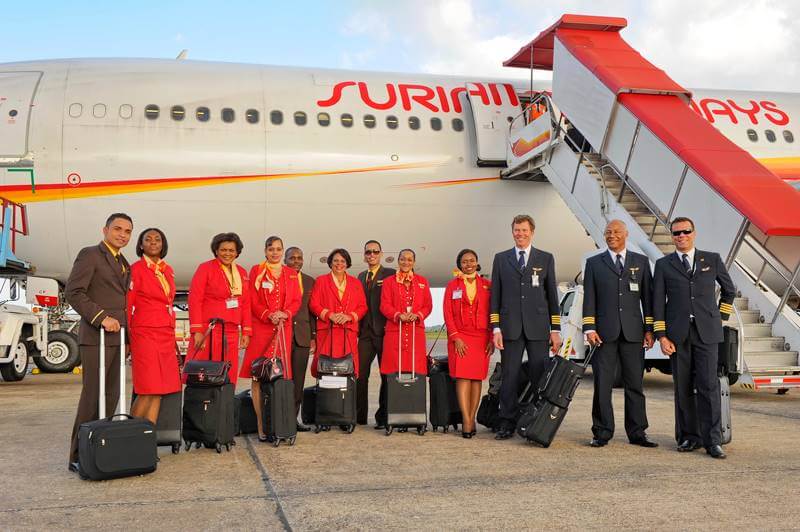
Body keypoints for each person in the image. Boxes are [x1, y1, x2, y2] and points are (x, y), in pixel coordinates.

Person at [653, 216, 736, 459]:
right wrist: (661, 336)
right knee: (683, 387)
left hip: (707, 333)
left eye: (685, 231)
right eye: (676, 233)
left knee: (708, 386)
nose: (681, 236)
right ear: (672, 236)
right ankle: (689, 437)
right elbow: (658, 301)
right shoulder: (664, 264)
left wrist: (719, 316)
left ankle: (713, 441)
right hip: (678, 335)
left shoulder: (711, 259)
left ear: (694, 233)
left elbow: (729, 291)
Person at [65, 213, 133, 472]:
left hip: (118, 337)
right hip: (97, 337)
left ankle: (100, 447)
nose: (122, 234)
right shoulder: (90, 254)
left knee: (112, 395)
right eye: (117, 229)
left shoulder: (124, 261)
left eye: (127, 231)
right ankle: (77, 453)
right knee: (93, 396)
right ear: (105, 229)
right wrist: (100, 317)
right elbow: (74, 291)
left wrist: (127, 338)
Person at [582, 220, 657, 448]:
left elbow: (649, 298)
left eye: (616, 232)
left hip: (633, 333)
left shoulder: (641, 262)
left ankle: (637, 432)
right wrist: (589, 327)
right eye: (608, 232)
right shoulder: (594, 263)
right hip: (604, 334)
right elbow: (589, 299)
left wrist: (649, 329)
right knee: (602, 385)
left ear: (626, 234)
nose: (611, 235)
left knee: (635, 384)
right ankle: (602, 431)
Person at [490, 214, 562, 440]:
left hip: (538, 328)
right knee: (509, 376)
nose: (520, 234)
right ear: (512, 232)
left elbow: (552, 296)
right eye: (516, 230)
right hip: (510, 328)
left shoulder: (545, 258)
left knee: (538, 375)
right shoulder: (501, 259)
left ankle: (536, 420)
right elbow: (495, 297)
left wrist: (555, 329)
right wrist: (496, 328)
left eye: (524, 230)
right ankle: (506, 421)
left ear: (532, 232)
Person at [240, 236, 301, 442]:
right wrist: (268, 314)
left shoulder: (291, 274)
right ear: (265, 251)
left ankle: (279, 422)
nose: (275, 252)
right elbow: (252, 300)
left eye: (278, 249)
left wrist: (285, 313)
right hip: (262, 328)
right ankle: (260, 425)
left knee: (280, 377)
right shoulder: (257, 271)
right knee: (258, 377)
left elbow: (296, 300)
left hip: (282, 329)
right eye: (271, 249)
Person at [128, 227, 180, 425]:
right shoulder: (136, 269)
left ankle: (147, 438)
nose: (153, 242)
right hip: (145, 333)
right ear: (141, 245)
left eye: (157, 239)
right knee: (147, 388)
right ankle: (130, 436)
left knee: (160, 390)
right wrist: (128, 337)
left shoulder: (168, 270)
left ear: (163, 244)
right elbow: (128, 304)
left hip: (165, 333)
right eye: (147, 239)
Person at [188, 233, 252, 382]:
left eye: (231, 250)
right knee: (206, 374)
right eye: (223, 250)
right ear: (216, 250)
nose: (227, 253)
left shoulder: (242, 272)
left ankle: (226, 403)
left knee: (229, 374)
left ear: (237, 253)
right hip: (210, 329)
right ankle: (206, 404)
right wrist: (197, 330)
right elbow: (195, 299)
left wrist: (246, 331)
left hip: (231, 331)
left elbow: (245, 303)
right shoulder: (205, 268)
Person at [443, 249, 493, 438]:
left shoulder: (487, 285)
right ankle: (466, 420)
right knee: (463, 377)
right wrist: (455, 337)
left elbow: (492, 313)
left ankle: (472, 418)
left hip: (481, 337)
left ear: (477, 262)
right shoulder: (452, 285)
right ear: (459, 264)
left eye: (472, 260)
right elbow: (447, 313)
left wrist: (490, 338)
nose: (468, 264)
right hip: (461, 336)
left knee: (476, 378)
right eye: (464, 261)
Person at [309, 249, 367, 379]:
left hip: (347, 331)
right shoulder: (321, 281)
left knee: (348, 369)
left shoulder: (355, 283)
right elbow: (313, 304)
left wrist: (349, 317)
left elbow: (363, 307)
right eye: (335, 260)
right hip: (327, 331)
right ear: (330, 263)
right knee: (324, 369)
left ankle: (346, 397)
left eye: (342, 261)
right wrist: (330, 315)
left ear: (347, 264)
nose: (339, 264)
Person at [356, 240, 395, 429]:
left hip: (384, 333)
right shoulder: (361, 276)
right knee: (360, 375)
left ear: (380, 254)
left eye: (375, 252)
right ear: (364, 255)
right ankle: (359, 416)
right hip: (365, 334)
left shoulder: (390, 274)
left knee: (386, 375)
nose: (371, 255)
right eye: (368, 252)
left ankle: (383, 417)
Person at [379, 249, 433, 378]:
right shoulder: (388, 281)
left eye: (409, 259)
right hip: (395, 331)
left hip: (416, 332)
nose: (406, 262)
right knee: (393, 370)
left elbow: (428, 305)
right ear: (398, 261)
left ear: (414, 262)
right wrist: (398, 315)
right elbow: (384, 305)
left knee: (416, 369)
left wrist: (418, 315)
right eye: (402, 259)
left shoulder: (422, 281)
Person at [285, 246, 316, 431]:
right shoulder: (279, 278)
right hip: (283, 335)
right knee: (282, 380)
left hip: (303, 336)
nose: (296, 261)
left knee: (298, 381)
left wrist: (313, 336)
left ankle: (293, 419)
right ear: (285, 260)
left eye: (299, 257)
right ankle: (279, 417)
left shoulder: (309, 281)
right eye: (292, 258)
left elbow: (312, 312)